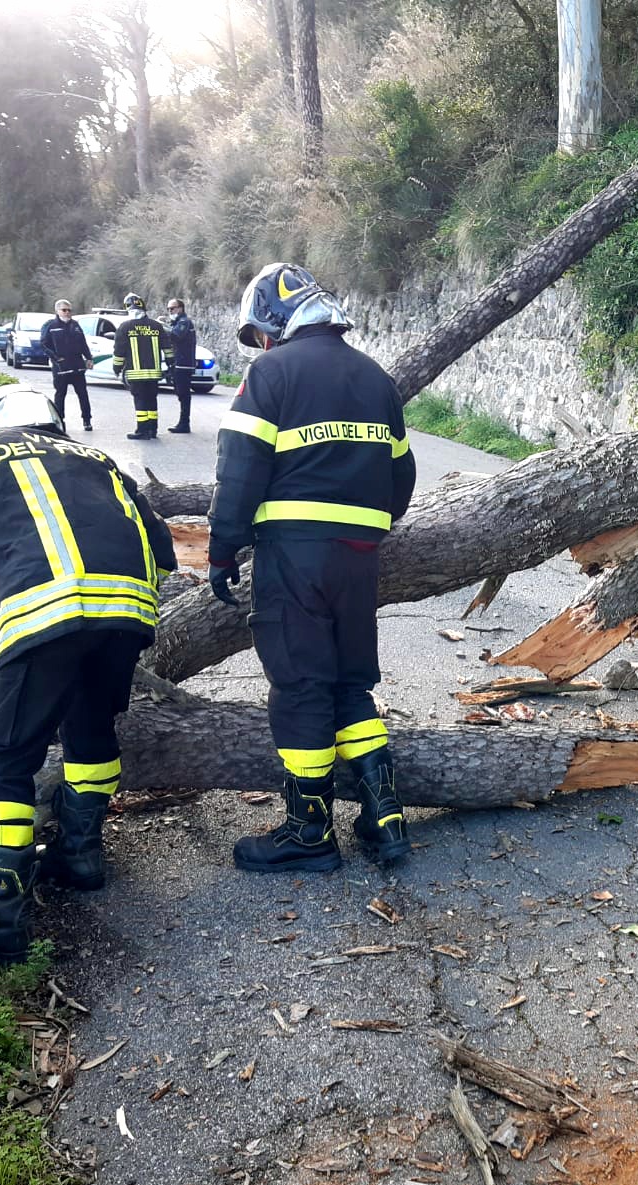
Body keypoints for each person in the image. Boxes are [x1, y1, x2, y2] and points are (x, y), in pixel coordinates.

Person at [0, 384, 177, 963]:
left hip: (45, 610)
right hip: (128, 611)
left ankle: (1, 923)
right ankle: (81, 857)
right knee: (91, 732)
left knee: (1, 761)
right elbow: (163, 547)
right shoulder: (99, 458)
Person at [207, 262, 416, 873]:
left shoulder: (270, 372)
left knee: (301, 687)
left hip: (294, 554)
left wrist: (222, 548)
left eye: (260, 335)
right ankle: (385, 819)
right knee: (348, 685)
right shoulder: (377, 378)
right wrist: (361, 525)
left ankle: (308, 832)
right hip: (359, 558)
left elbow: (239, 467)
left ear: (273, 323)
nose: (260, 346)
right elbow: (401, 478)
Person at [113, 293, 172, 441]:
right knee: (152, 400)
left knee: (140, 401)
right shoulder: (156, 326)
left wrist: (117, 368)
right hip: (154, 373)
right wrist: (171, 364)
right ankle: (153, 429)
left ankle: (142, 430)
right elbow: (167, 348)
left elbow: (119, 351)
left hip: (136, 373)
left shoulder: (125, 327)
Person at [38, 299, 94, 431]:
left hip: (77, 366)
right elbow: (44, 345)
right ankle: (59, 421)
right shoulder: (50, 326)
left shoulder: (75, 325)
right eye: (64, 310)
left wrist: (89, 358)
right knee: (60, 395)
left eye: (69, 310)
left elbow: (83, 343)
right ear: (57, 311)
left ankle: (87, 420)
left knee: (83, 394)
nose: (67, 313)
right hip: (61, 368)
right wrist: (56, 358)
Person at [165, 298, 197, 434]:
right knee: (180, 393)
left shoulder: (184, 322)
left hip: (184, 364)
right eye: (168, 309)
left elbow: (175, 336)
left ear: (180, 308)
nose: (170, 311)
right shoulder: (178, 322)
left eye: (172, 308)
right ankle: (183, 422)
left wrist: (161, 326)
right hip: (179, 363)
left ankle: (184, 423)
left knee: (183, 394)